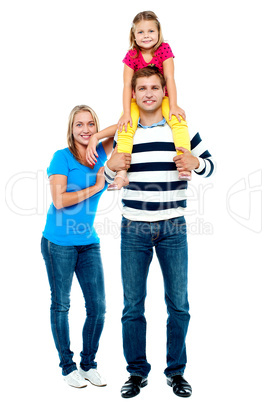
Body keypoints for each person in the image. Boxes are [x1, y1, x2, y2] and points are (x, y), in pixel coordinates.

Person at [103, 66, 215, 398]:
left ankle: (176, 372)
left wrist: (195, 163)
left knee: (178, 304)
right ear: (133, 95)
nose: (149, 92)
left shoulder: (179, 128)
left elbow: (209, 164)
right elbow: (109, 180)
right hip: (133, 228)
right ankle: (137, 373)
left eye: (155, 86)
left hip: (173, 228)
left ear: (164, 92)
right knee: (132, 306)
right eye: (142, 88)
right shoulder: (127, 130)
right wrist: (112, 167)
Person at [41, 105, 114, 388]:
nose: (85, 130)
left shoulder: (101, 153)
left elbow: (124, 124)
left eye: (91, 124)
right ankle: (67, 366)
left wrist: (98, 141)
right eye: (79, 125)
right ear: (71, 129)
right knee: (61, 305)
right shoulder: (61, 158)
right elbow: (59, 200)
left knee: (98, 307)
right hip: (58, 242)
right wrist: (97, 186)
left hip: (88, 242)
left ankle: (88, 363)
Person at [86, 10, 191, 190]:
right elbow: (127, 85)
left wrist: (173, 105)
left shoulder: (164, 49)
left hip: (162, 98)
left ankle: (185, 161)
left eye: (151, 31)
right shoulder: (132, 56)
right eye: (141, 32)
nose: (146, 36)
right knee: (126, 128)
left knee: (178, 121)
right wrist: (127, 113)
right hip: (137, 101)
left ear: (158, 33)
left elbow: (170, 78)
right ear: (133, 36)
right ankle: (121, 174)